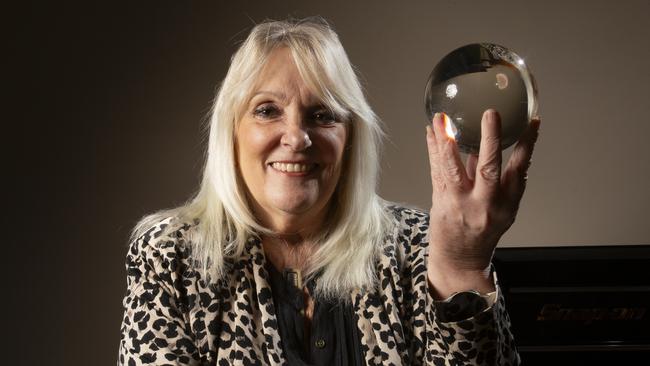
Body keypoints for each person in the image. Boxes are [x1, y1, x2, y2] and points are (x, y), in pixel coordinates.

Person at [118, 16, 539, 366]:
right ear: (232, 131)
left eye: (322, 115)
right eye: (267, 111)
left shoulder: (420, 247)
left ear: (350, 138)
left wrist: (461, 264)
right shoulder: (169, 253)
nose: (296, 137)